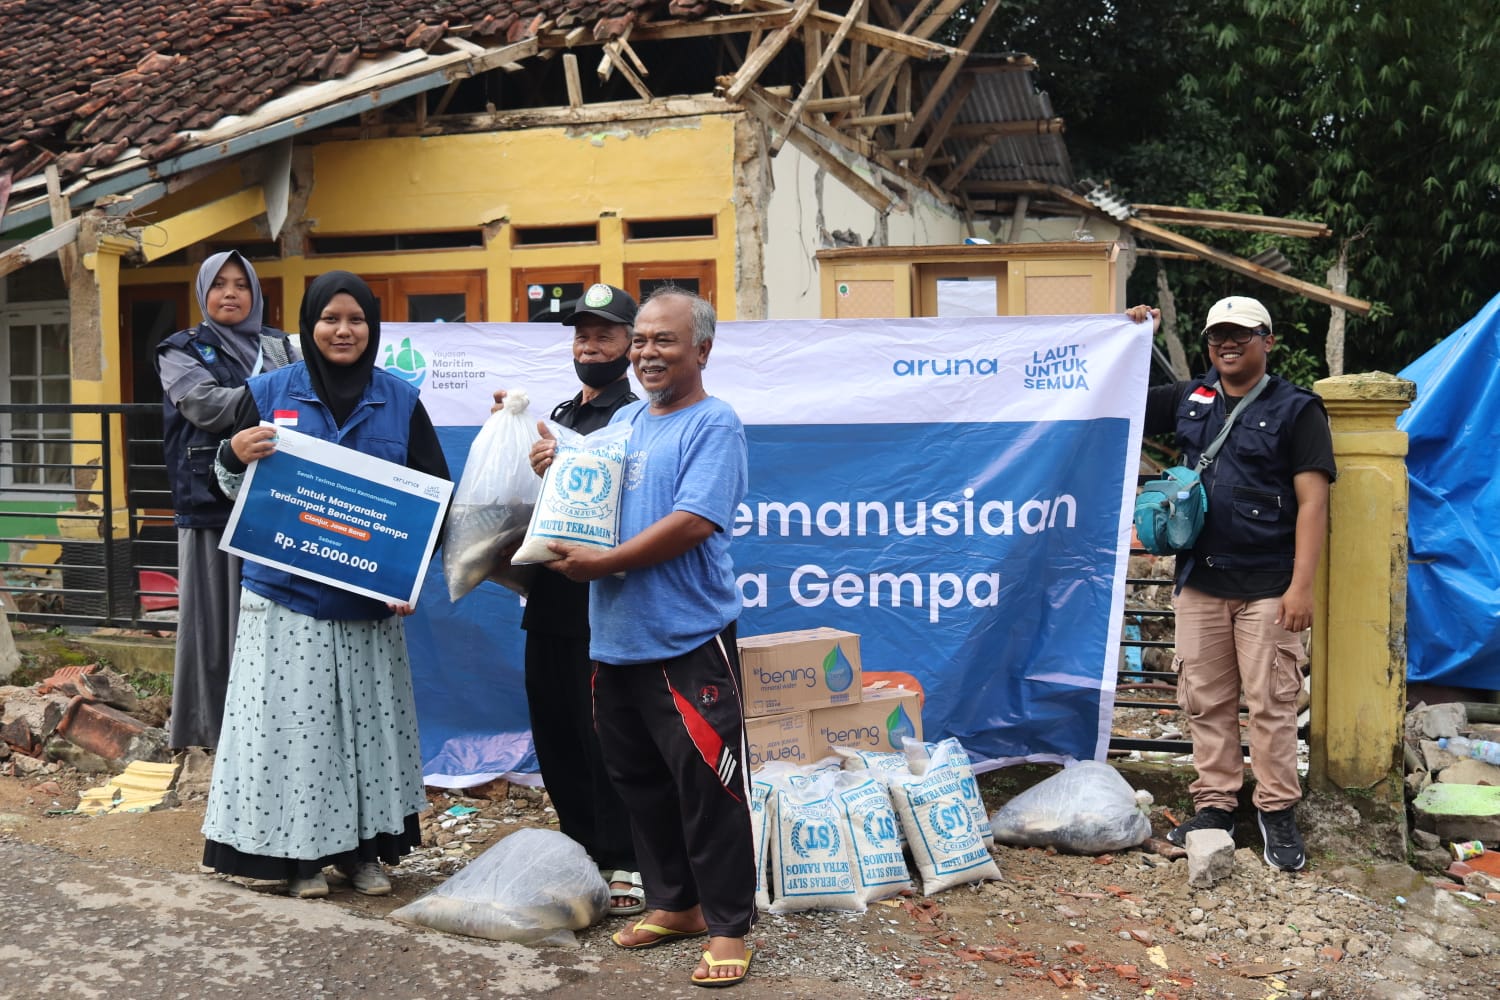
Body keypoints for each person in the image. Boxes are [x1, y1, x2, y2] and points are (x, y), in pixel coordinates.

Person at [200, 271, 451, 898]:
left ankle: (363, 855)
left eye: (357, 320)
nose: (343, 331)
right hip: (283, 595)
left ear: (373, 328)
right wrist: (232, 454)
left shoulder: (400, 399)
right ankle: (299, 861)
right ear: (309, 325)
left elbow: (433, 501)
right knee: (293, 731)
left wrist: (410, 573)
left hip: (368, 600)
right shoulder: (266, 391)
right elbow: (224, 486)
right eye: (330, 319)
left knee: (364, 730)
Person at [541, 288, 755, 987]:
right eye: (641, 342)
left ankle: (729, 926)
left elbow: (695, 518)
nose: (647, 354)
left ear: (702, 350)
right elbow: (586, 488)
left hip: (688, 636)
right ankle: (676, 904)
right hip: (616, 638)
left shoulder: (713, 423)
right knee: (638, 781)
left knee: (707, 785)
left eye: (664, 341)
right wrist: (555, 465)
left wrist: (605, 563)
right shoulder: (625, 421)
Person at [1128, 296, 1334, 872]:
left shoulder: (1298, 409)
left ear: (1267, 341)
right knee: (1204, 700)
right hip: (1200, 581)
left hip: (1269, 584)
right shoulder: (1192, 399)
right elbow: (1120, 403)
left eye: (1241, 335)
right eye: (1218, 334)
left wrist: (1301, 587)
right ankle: (1216, 805)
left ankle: (1276, 810)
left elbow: (1313, 502)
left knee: (1271, 701)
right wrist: (1135, 341)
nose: (1227, 344)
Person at [501, 283, 644, 916]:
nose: (590, 346)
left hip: (605, 606)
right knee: (555, 731)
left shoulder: (637, 418)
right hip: (550, 605)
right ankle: (580, 851)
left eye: (605, 336)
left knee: (604, 738)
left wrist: (568, 465)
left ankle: (627, 861)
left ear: (630, 346)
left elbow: (636, 502)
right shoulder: (559, 415)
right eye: (582, 336)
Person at [155, 251, 294, 751]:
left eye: (241, 284)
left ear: (256, 293)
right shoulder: (180, 349)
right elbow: (205, 405)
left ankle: (270, 733)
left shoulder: (278, 344)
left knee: (276, 622)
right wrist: (280, 391)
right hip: (210, 502)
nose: (231, 293)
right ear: (202, 294)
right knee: (213, 630)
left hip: (278, 498)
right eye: (219, 284)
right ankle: (211, 736)